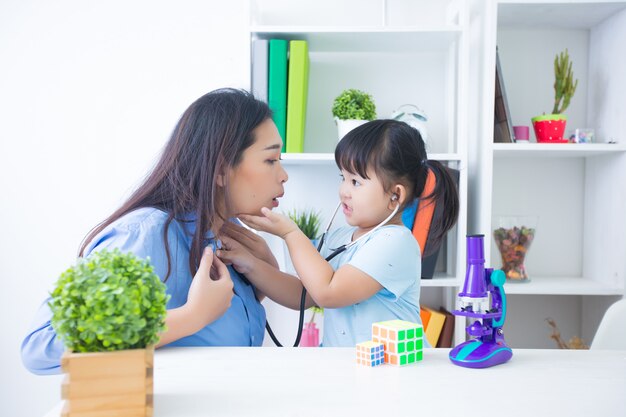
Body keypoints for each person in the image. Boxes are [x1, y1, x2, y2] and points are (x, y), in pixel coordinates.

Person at [21, 88, 289, 374]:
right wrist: (190, 317)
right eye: (271, 160)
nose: (283, 175)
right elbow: (41, 348)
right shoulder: (144, 235)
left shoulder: (231, 233)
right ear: (220, 169)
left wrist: (258, 283)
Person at [218, 119, 459, 347]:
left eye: (356, 182)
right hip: (350, 371)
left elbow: (328, 292)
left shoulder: (396, 243)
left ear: (395, 195)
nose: (344, 190)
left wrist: (290, 233)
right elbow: (305, 294)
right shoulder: (341, 238)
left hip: (391, 371)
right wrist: (249, 264)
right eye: (343, 177)